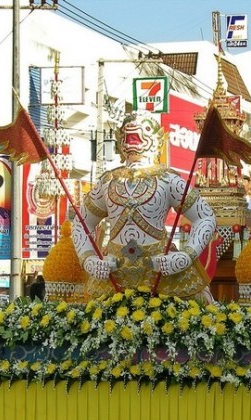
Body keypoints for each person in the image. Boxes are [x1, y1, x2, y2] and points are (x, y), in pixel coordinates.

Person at [71, 111, 217, 300]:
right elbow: (81, 223)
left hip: (162, 270)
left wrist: (185, 256)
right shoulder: (108, 181)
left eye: (146, 129)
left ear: (157, 139)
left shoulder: (167, 179)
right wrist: (88, 259)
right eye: (126, 131)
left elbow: (205, 216)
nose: (133, 135)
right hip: (114, 272)